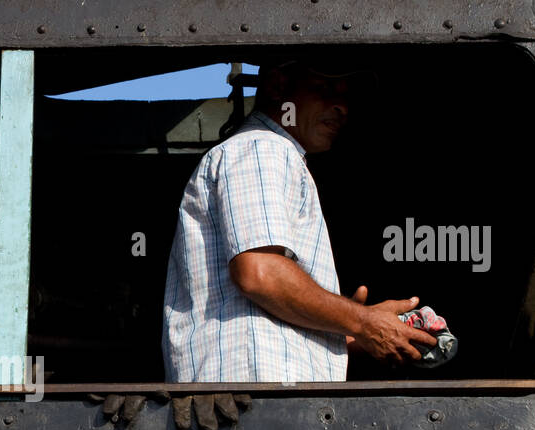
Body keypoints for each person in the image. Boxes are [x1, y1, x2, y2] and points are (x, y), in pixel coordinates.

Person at [162, 58, 437, 383]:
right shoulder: (262, 149)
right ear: (278, 86)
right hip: (252, 395)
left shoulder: (274, 154)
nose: (341, 106)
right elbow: (260, 274)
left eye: (346, 96)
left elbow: (268, 308)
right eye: (326, 88)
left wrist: (355, 328)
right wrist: (362, 321)